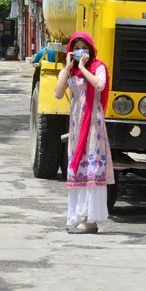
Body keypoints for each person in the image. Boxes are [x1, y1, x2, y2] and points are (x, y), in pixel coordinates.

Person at [54, 31, 115, 234]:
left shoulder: (98, 67)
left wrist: (82, 67)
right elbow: (58, 93)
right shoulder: (71, 71)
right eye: (76, 48)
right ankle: (79, 216)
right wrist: (68, 67)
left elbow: (100, 85)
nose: (81, 51)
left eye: (84, 47)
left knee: (91, 168)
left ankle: (91, 220)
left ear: (91, 49)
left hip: (93, 126)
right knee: (79, 168)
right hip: (76, 126)